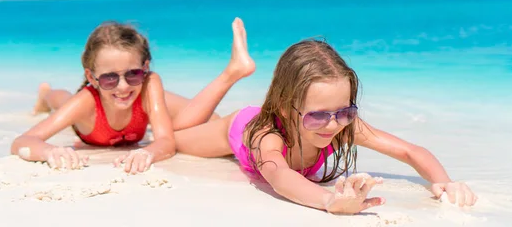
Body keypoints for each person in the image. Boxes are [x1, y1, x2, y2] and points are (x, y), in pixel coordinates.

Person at [173, 20, 478, 214]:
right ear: (284, 107)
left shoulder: (341, 123)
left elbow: (409, 151)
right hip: (238, 128)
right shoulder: (267, 135)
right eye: (318, 116)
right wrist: (329, 201)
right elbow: (280, 176)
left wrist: (445, 183)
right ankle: (232, 73)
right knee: (174, 137)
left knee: (192, 122)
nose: (333, 125)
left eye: (345, 111)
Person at [11, 19, 255, 174]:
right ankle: (45, 94)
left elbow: (165, 141)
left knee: (210, 118)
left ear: (145, 68)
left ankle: (231, 73)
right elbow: (23, 142)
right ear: (92, 77)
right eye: (109, 78)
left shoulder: (149, 84)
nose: (123, 86)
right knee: (61, 99)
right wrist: (49, 152)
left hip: (142, 100)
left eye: (134, 74)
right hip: (87, 113)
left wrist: (148, 151)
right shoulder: (86, 102)